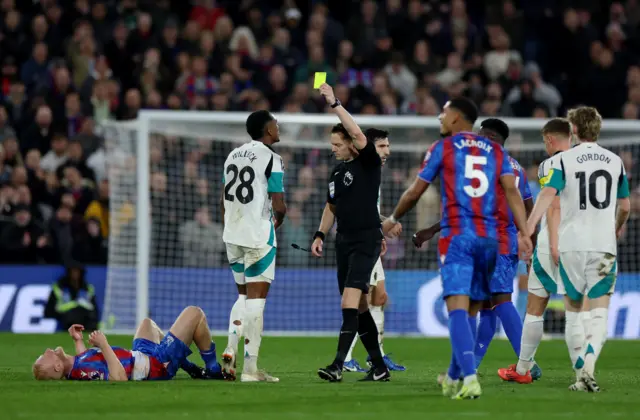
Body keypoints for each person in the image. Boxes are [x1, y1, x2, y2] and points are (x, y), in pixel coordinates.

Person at [382, 98, 532, 399]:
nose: (440, 116)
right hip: (491, 241)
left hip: (458, 239)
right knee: (476, 308)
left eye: (445, 112)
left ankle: (470, 377)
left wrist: (393, 217)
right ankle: (453, 376)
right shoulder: (498, 152)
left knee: (458, 309)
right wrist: (525, 233)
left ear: (458, 119)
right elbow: (514, 193)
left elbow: (415, 191)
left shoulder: (444, 148)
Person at [499, 109, 631, 392]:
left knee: (537, 306)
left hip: (558, 244)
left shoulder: (555, 164)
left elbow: (553, 204)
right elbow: (626, 206)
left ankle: (524, 366)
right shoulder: (615, 161)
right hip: (601, 245)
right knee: (590, 313)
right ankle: (584, 370)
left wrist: (530, 233)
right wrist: (616, 227)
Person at [414, 118, 540, 381]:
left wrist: (431, 230)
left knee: (500, 300)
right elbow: (528, 207)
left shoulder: (488, 163)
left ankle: (527, 365)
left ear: (490, 136)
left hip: (489, 238)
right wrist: (529, 239)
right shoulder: (515, 167)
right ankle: (468, 366)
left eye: (481, 135)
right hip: (507, 240)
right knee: (486, 306)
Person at [313, 83, 390, 383]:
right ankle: (380, 367)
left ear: (350, 143)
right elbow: (330, 206)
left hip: (366, 239)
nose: (332, 148)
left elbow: (358, 134)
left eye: (336, 143)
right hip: (342, 241)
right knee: (358, 307)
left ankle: (337, 365)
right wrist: (320, 235)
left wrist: (334, 103)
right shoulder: (336, 172)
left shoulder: (368, 163)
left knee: (349, 301)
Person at [220, 109, 287, 383]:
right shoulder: (272, 158)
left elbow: (222, 199)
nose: (278, 127)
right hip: (258, 235)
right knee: (257, 302)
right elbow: (279, 203)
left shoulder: (231, 156)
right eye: (275, 123)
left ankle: (229, 350)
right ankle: (250, 368)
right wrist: (276, 222)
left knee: (242, 297)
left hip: (232, 234)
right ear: (267, 130)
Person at [32, 306, 228, 381]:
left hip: (140, 355)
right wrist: (104, 344)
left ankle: (188, 366)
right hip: (156, 365)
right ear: (57, 366)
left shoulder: (76, 365)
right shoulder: (81, 370)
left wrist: (78, 341)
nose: (48, 350)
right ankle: (213, 370)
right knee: (194, 313)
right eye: (46, 356)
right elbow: (118, 378)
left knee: (147, 324)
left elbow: (85, 360)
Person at [44, 263, 99, 331]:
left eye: (77, 271)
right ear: (68, 272)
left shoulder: (87, 288)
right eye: (73, 271)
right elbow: (49, 310)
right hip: (67, 317)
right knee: (72, 317)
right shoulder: (60, 287)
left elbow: (94, 309)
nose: (75, 274)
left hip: (85, 316)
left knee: (91, 320)